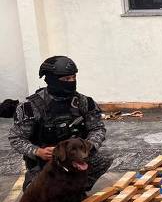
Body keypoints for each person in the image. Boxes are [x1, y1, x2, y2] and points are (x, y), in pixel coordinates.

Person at [8, 56, 113, 191]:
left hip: (77, 158)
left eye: (73, 78)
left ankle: (75, 187)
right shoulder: (31, 106)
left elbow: (97, 128)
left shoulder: (83, 102)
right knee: (35, 195)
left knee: (105, 162)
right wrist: (37, 151)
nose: (71, 82)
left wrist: (89, 145)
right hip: (46, 163)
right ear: (51, 80)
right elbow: (16, 138)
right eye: (65, 79)